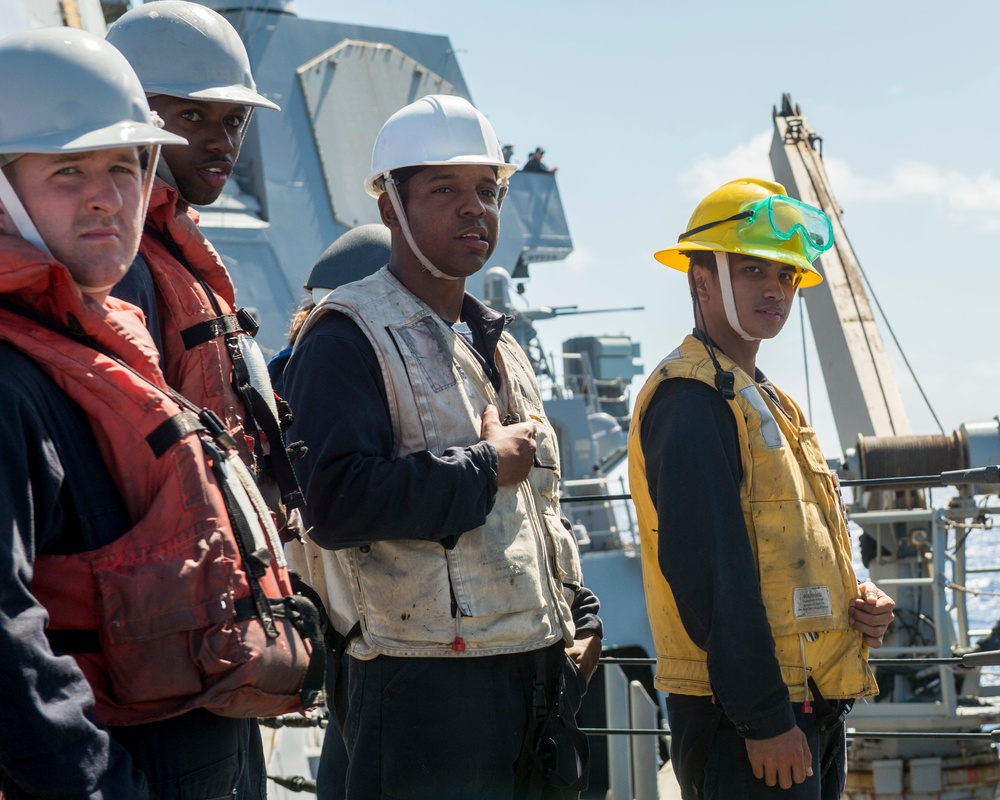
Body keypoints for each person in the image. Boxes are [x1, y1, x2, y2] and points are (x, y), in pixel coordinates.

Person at [0, 27, 322, 800]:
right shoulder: (14, 379)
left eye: (123, 166)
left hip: (188, 730)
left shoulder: (99, 335)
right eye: (68, 171)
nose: (107, 196)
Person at [283, 94, 602, 800]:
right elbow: (333, 502)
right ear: (390, 206)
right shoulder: (346, 337)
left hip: (533, 678)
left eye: (488, 191)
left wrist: (582, 619)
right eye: (444, 190)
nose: (474, 209)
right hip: (421, 691)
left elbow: (544, 509)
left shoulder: (500, 343)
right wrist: (485, 468)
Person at [627, 178, 896, 799]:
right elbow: (709, 573)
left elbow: (787, 538)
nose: (775, 289)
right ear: (700, 280)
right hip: (746, 716)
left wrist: (856, 598)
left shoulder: (766, 400)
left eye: (787, 276)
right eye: (753, 270)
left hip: (807, 702)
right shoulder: (690, 400)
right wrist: (764, 719)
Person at [106, 1, 303, 520]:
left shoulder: (173, 245)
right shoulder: (118, 260)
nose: (223, 141)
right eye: (193, 115)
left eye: (236, 119)